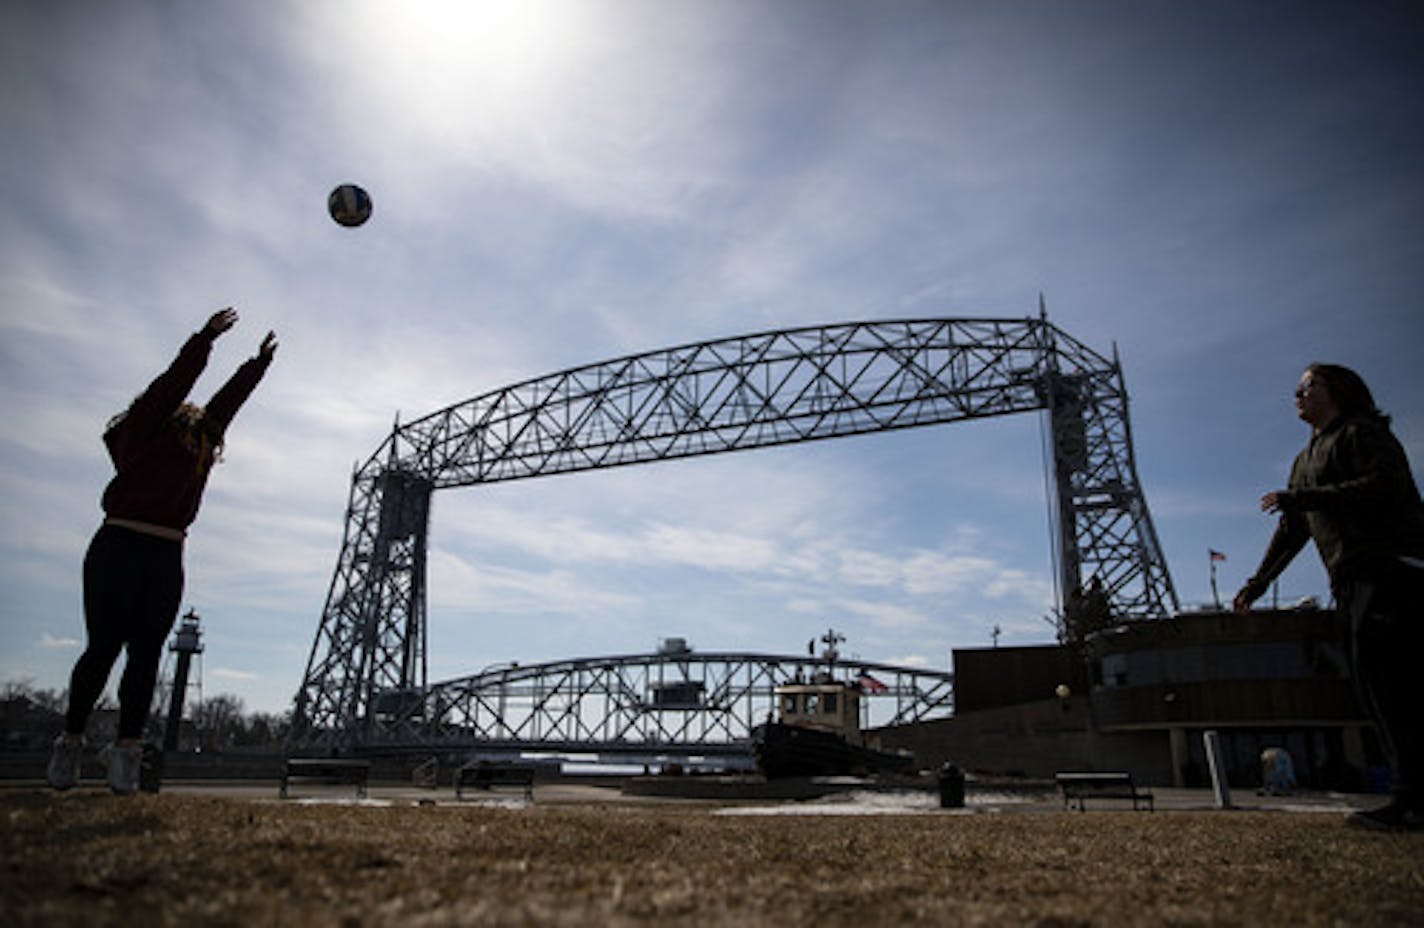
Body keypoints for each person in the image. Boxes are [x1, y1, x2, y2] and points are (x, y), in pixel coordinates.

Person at [48, 308, 277, 794]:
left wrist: (256, 367)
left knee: (147, 653)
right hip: (119, 543)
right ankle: (70, 742)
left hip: (166, 554)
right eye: (186, 408)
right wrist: (206, 339)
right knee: (104, 647)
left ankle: (127, 752)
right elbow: (174, 383)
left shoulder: (200, 444)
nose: (194, 410)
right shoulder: (143, 431)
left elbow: (225, 405)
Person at [1233, 363, 1424, 831]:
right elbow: (1294, 527)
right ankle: (1411, 796)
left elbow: (1384, 486)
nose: (1297, 395)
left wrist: (1307, 499)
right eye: (1295, 388)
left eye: (1307, 386)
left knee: (1400, 688)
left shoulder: (1362, 433)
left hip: (1392, 571)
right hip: (1350, 581)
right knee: (1376, 689)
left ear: (1337, 390)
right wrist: (1258, 582)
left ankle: (1414, 799)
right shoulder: (1305, 457)